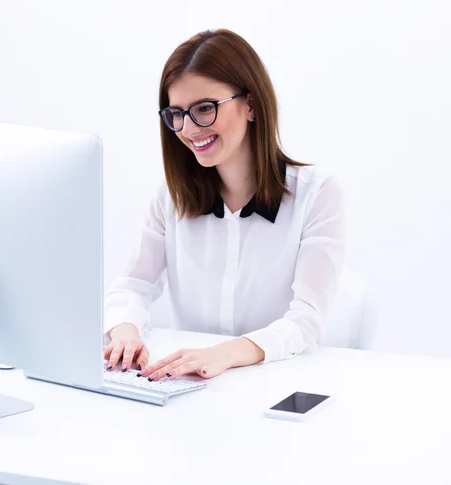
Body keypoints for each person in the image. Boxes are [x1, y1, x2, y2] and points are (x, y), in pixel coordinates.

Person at [103, 28, 345, 382]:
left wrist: (226, 354)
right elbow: (131, 287)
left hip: (278, 381)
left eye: (204, 108)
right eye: (177, 114)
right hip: (193, 387)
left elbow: (306, 321)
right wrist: (125, 333)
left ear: (251, 104)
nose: (189, 129)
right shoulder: (170, 197)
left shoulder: (317, 194)